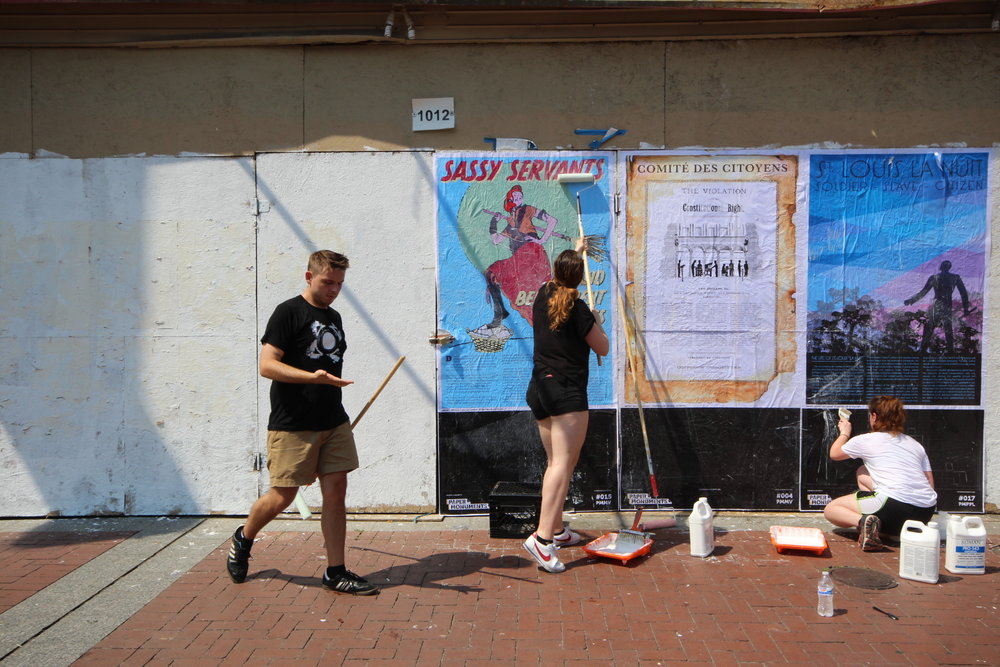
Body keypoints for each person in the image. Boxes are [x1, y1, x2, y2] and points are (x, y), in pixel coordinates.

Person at [226, 250, 378, 595]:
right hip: (293, 423)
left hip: (333, 420)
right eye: (328, 282)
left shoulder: (335, 317)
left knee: (336, 491)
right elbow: (267, 365)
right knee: (283, 495)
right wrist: (312, 378)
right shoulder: (288, 312)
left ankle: (335, 571)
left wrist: (324, 384)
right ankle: (244, 537)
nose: (334, 290)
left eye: (340, 284)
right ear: (309, 277)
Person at [522, 243, 609, 573]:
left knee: (556, 462)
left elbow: (559, 278)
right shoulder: (578, 308)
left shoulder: (544, 293)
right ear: (579, 277)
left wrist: (575, 250)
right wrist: (596, 322)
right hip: (566, 394)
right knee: (562, 463)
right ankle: (542, 540)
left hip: (540, 390)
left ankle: (557, 530)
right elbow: (603, 346)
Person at [823, 396, 937, 551]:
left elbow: (834, 454)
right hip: (924, 513)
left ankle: (864, 522)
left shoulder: (867, 439)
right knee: (862, 472)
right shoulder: (915, 444)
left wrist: (845, 432)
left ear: (874, 416)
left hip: (893, 507)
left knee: (831, 509)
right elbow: (929, 483)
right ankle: (882, 529)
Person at [904, 260, 972, 353]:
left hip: (938, 305)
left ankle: (923, 351)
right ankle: (949, 351)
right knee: (946, 329)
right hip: (946, 305)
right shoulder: (955, 277)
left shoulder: (934, 277)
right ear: (949, 267)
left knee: (931, 328)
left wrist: (911, 300)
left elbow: (923, 292)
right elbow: (963, 294)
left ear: (941, 267)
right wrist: (966, 308)